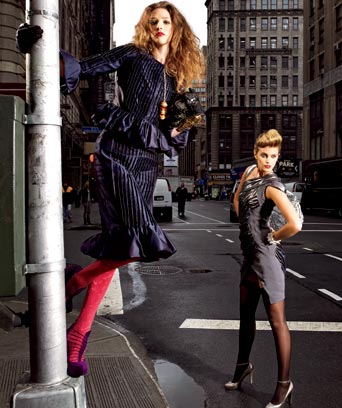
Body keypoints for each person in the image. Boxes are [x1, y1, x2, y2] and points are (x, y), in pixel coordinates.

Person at [18, 2, 203, 378]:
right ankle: (74, 299)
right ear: (146, 26)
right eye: (153, 21)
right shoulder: (131, 54)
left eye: (166, 21)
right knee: (136, 239)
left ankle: (77, 330)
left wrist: (182, 128)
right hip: (116, 152)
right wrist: (38, 46)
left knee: (122, 246)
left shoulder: (178, 82)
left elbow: (178, 135)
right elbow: (84, 66)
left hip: (147, 163)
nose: (159, 26)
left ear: (176, 27)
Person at [226, 129, 302, 408]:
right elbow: (236, 203)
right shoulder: (248, 173)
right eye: (264, 155)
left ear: (278, 157)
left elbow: (294, 224)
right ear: (256, 154)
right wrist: (249, 224)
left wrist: (273, 236)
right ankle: (241, 369)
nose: (268, 160)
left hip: (268, 261)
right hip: (249, 257)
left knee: (276, 322)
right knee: (246, 317)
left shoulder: (273, 185)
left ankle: (284, 385)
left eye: (273, 156)